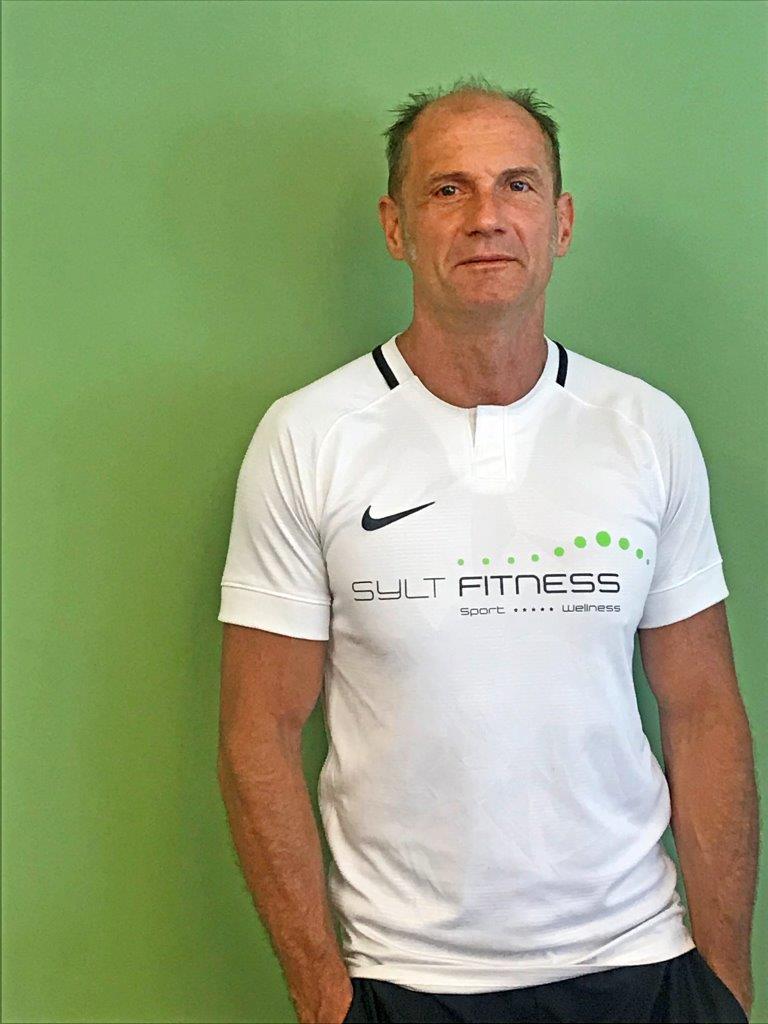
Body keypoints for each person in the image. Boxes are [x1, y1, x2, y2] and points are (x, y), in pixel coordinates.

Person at [216, 76, 757, 1024]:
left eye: (517, 185)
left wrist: (723, 983)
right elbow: (257, 730)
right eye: (447, 189)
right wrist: (324, 997)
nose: (486, 217)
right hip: (406, 982)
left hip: (644, 964)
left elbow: (703, 707)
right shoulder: (309, 437)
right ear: (395, 226)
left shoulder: (644, 428)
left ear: (561, 221)